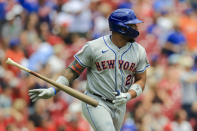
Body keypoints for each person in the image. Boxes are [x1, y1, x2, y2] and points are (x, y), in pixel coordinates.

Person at [28, 8, 150, 131]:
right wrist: (54, 89)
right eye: (132, 25)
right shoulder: (94, 47)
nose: (136, 28)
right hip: (95, 101)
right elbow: (73, 71)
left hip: (119, 105)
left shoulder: (139, 51)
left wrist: (128, 95)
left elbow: (141, 80)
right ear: (121, 27)